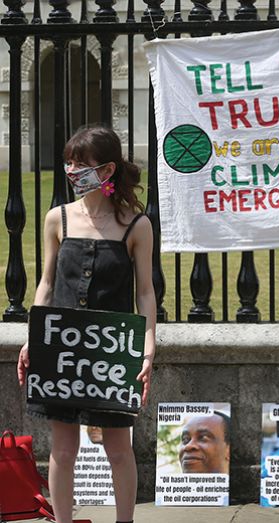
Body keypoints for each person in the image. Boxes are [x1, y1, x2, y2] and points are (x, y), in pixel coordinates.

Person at [17, 125, 156, 523]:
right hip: (60, 350)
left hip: (111, 351)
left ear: (107, 170)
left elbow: (146, 292)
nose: (72, 169)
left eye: (81, 163)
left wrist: (147, 349)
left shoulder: (135, 225)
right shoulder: (57, 218)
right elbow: (45, 284)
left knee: (118, 448)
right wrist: (33, 340)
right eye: (69, 161)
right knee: (62, 450)